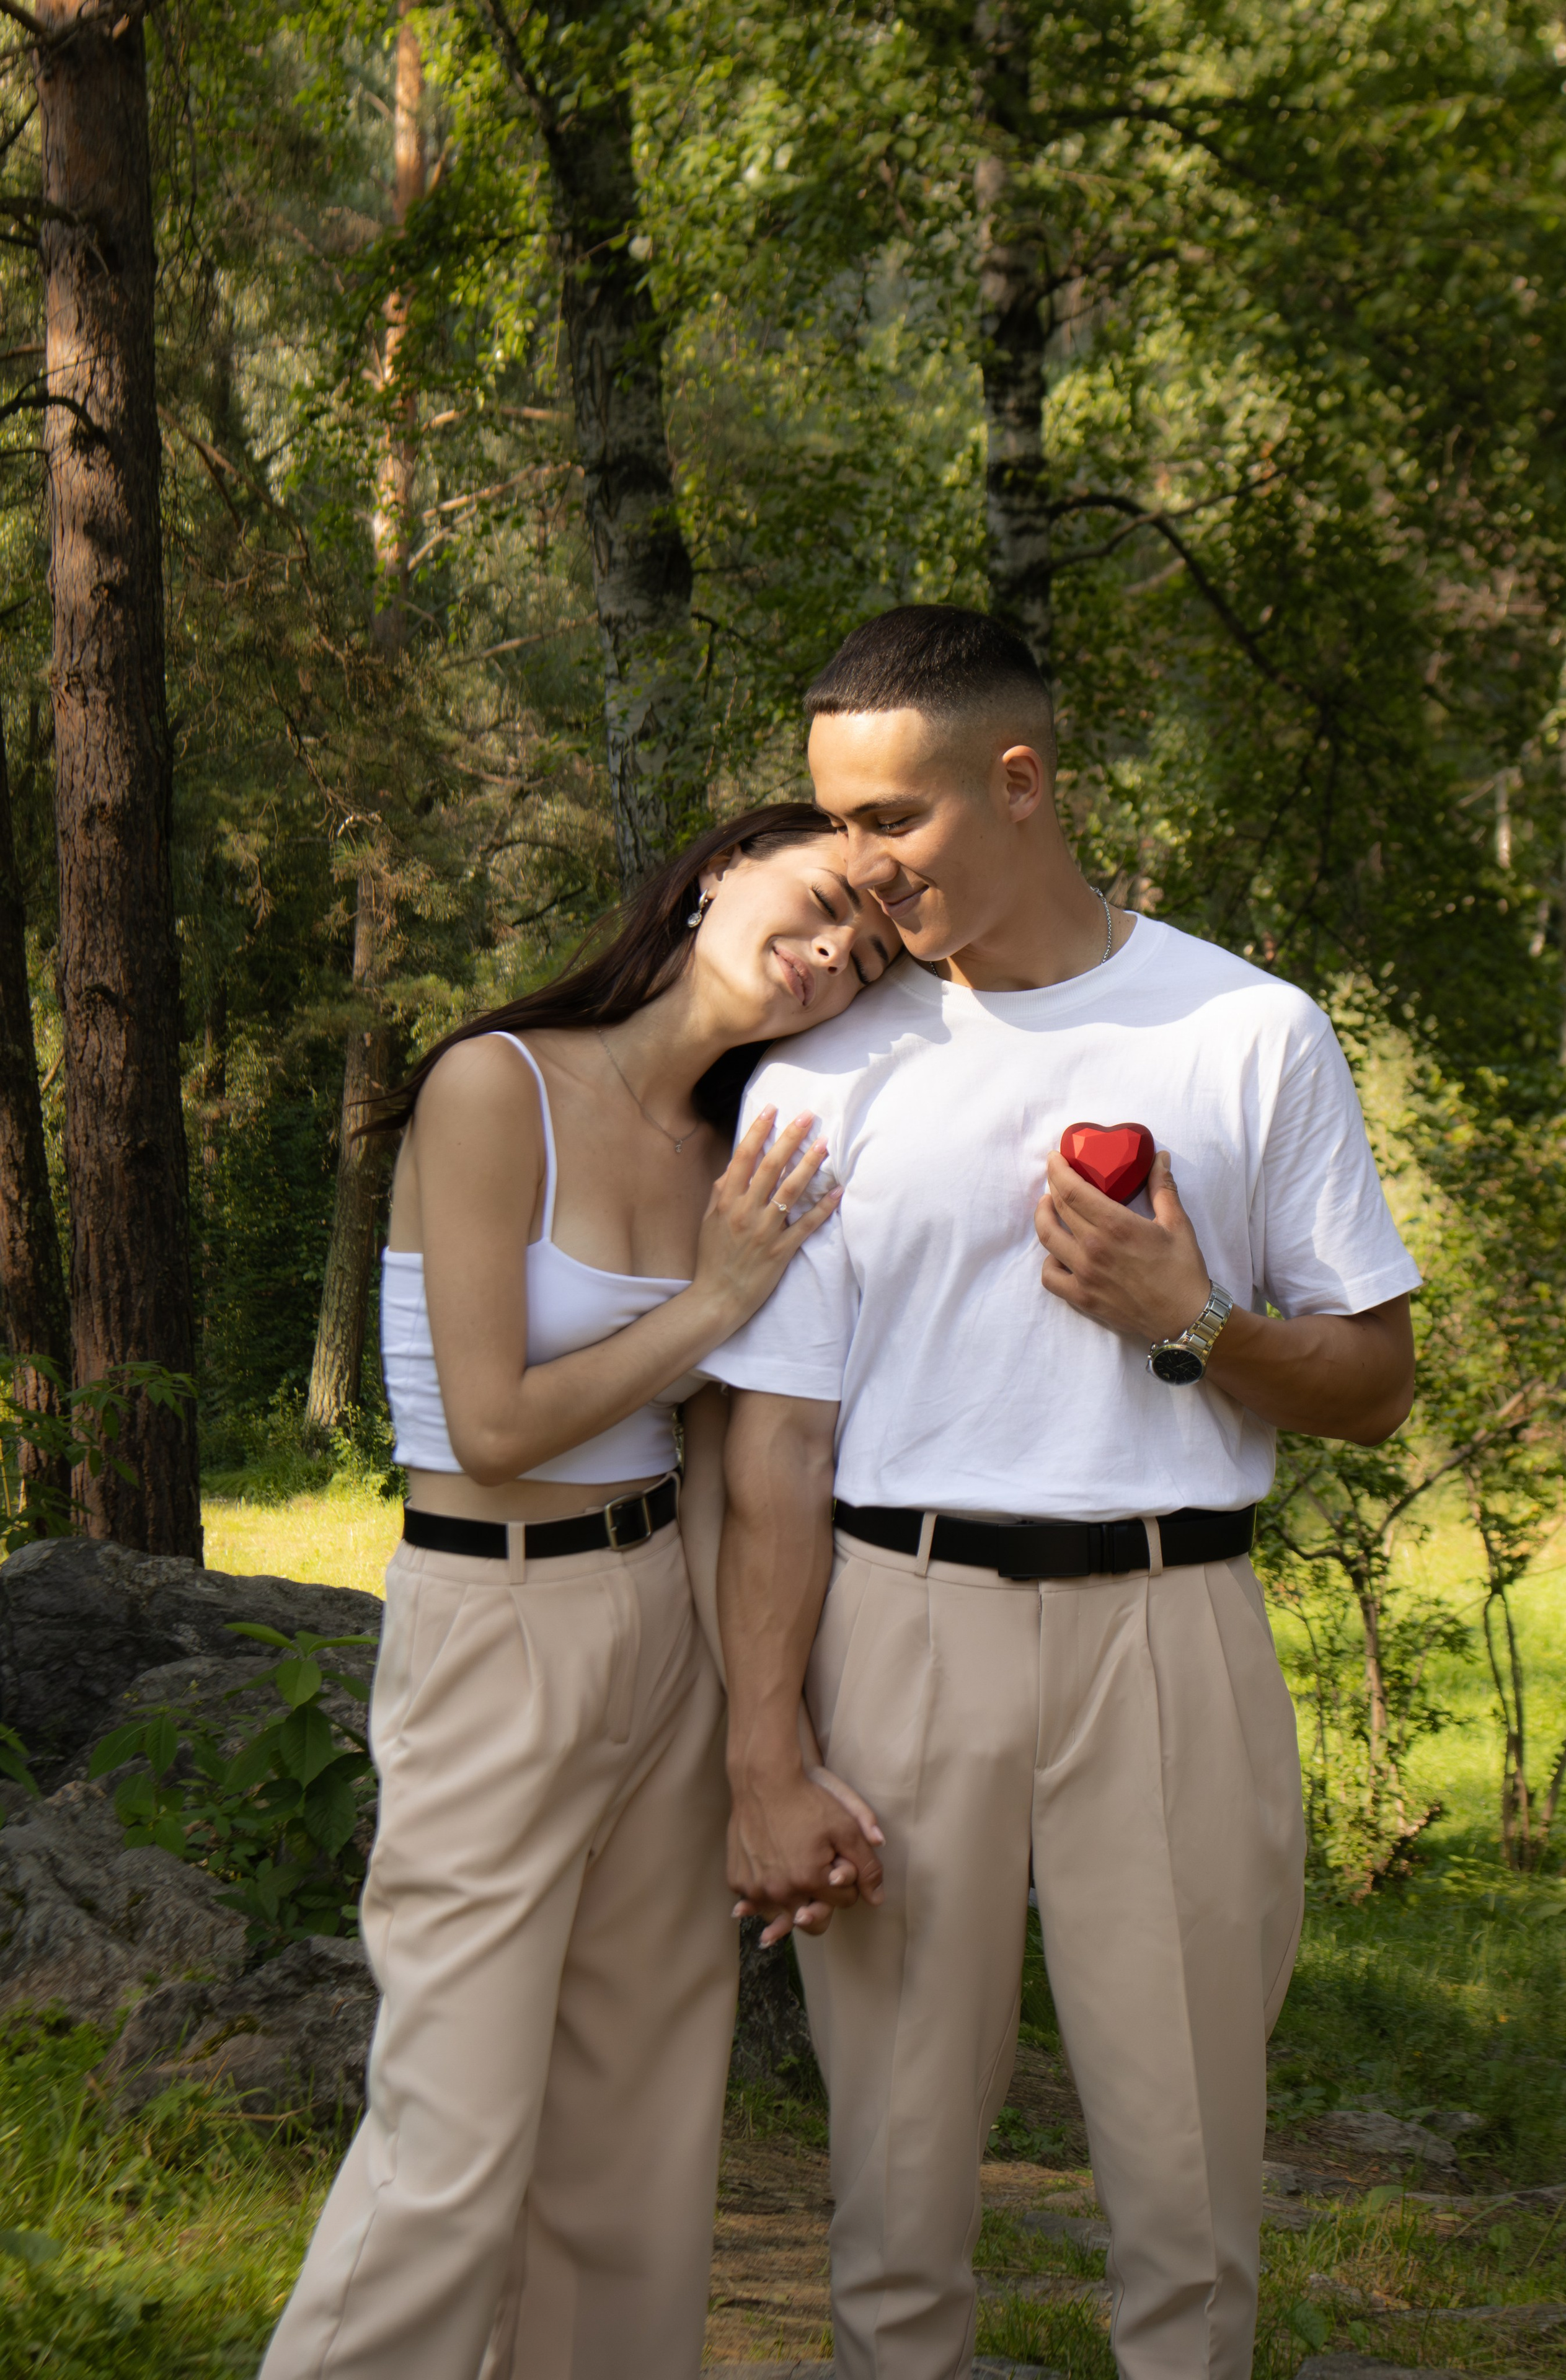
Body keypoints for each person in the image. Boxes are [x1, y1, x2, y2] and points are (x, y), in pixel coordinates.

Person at [703, 608, 1422, 2380]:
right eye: (834, 823)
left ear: (1018, 783)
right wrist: (764, 1753)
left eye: (895, 822)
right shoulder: (823, 1071)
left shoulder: (1250, 1033)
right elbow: (778, 1446)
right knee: (892, 2201)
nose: (855, 872)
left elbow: (1377, 1383)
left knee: (1187, 2204)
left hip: (1174, 1636)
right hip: (905, 1630)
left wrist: (1193, 1327)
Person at [258, 803, 898, 2380]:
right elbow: (494, 1426)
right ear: (709, 880)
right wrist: (722, 1297)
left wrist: (763, 1743)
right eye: (820, 902)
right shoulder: (497, 1085)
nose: (830, 954)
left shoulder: (736, 1155)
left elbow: (715, 1454)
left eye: (867, 955)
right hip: (493, 1621)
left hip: (661, 1624)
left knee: (638, 2141)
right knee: (453, 2145)